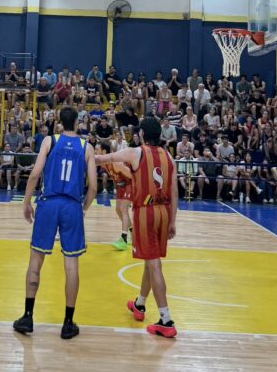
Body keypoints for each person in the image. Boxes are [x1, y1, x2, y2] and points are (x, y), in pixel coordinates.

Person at [13, 106, 97, 340]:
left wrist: (27, 202)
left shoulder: (49, 141)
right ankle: (68, 323)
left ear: (60, 122)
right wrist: (84, 208)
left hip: (48, 204)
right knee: (71, 264)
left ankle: (28, 316)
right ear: (78, 123)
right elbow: (94, 186)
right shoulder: (86, 147)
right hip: (71, 205)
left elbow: (34, 174)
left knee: (35, 260)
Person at [95, 116, 178, 338]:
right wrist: (172, 221)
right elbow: (174, 191)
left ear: (141, 134)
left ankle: (166, 319)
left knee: (154, 265)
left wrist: (82, 156)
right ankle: (140, 304)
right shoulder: (169, 156)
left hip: (145, 212)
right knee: (150, 262)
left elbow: (105, 157)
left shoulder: (135, 152)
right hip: (164, 212)